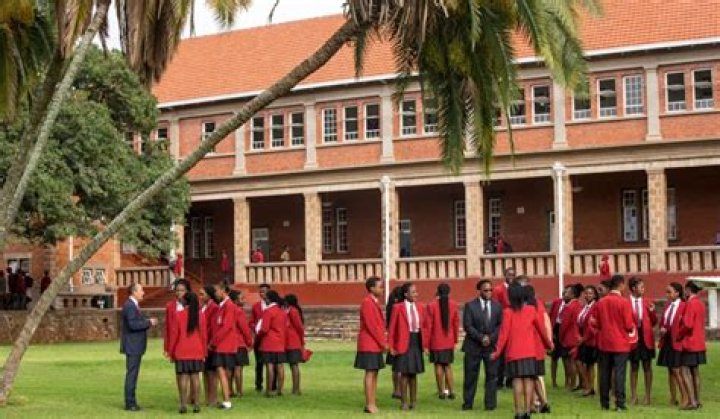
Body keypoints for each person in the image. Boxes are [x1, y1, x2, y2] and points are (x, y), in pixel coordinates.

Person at [492, 284, 552, 419]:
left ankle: (518, 411)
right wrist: (548, 344)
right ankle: (527, 410)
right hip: (529, 352)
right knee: (528, 380)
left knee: (517, 380)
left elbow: (503, 335)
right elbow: (541, 330)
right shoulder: (531, 310)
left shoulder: (507, 312)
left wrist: (497, 352)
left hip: (513, 352)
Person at [593, 274, 635, 411]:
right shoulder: (624, 302)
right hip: (620, 343)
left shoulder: (601, 302)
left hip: (604, 343)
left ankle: (604, 403)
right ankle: (620, 403)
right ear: (621, 285)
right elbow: (628, 325)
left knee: (604, 373)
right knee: (619, 373)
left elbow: (596, 323)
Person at [461, 280, 502, 411]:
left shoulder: (497, 306)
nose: (489, 292)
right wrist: (481, 338)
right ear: (479, 291)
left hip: (491, 346)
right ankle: (468, 404)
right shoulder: (470, 306)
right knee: (470, 376)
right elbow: (467, 325)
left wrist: (491, 338)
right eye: (486, 290)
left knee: (492, 376)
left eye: (491, 290)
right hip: (473, 346)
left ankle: (490, 405)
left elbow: (500, 326)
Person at [389, 282, 427, 410]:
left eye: (416, 292)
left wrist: (426, 345)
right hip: (402, 343)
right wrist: (391, 346)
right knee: (404, 373)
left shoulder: (420, 307)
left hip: (416, 342)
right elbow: (392, 328)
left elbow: (425, 327)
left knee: (413, 374)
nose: (416, 294)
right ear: (406, 294)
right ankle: (404, 402)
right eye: (413, 292)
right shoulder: (397, 308)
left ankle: (413, 401)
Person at [120, 283, 158, 411]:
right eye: (141, 290)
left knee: (133, 373)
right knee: (132, 374)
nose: (143, 293)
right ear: (134, 292)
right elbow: (133, 325)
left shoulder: (133, 305)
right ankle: (130, 403)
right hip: (133, 345)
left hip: (134, 345)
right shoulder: (130, 306)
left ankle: (131, 401)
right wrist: (148, 322)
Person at [167, 292, 206, 414]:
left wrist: (171, 352)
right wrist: (204, 352)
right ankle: (197, 404)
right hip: (197, 350)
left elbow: (174, 335)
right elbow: (204, 336)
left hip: (182, 350)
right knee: (195, 377)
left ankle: (183, 404)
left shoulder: (178, 315)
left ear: (185, 302)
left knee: (183, 376)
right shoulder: (200, 315)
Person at [354, 277, 387, 414]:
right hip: (369, 343)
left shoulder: (373, 302)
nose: (382, 289)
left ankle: (372, 401)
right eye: (380, 287)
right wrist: (383, 343)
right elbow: (372, 326)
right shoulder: (367, 303)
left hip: (374, 343)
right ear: (372, 288)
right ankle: (369, 403)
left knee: (375, 372)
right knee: (370, 372)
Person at [426, 283, 460, 400]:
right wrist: (455, 340)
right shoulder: (454, 305)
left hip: (436, 341)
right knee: (448, 366)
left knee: (438, 365)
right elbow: (456, 324)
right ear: (449, 292)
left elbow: (428, 326)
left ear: (438, 292)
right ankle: (451, 391)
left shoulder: (431, 306)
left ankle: (441, 392)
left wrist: (426, 344)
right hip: (448, 340)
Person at [209, 283, 239, 409]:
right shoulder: (223, 306)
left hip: (224, 344)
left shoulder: (229, 306)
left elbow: (226, 327)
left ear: (223, 291)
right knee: (223, 373)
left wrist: (213, 342)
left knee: (222, 372)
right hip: (222, 343)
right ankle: (226, 399)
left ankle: (227, 401)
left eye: (216, 290)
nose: (215, 293)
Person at [628, 277, 657, 405]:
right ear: (633, 288)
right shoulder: (625, 302)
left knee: (647, 366)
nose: (643, 289)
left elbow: (654, 322)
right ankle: (634, 396)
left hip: (646, 338)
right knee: (634, 366)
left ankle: (648, 396)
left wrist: (652, 312)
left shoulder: (647, 302)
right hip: (632, 337)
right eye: (641, 287)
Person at [657, 282, 686, 408]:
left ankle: (685, 397)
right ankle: (673, 398)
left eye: (669, 292)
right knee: (670, 370)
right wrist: (662, 328)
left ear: (677, 293)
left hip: (678, 341)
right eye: (666, 292)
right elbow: (663, 322)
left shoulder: (684, 306)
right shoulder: (667, 306)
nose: (667, 294)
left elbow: (685, 324)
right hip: (667, 341)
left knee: (677, 370)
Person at [679, 281, 706, 410]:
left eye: (685, 290)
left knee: (684, 370)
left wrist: (679, 333)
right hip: (699, 342)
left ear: (689, 290)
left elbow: (688, 325)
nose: (684, 292)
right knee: (695, 371)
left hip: (690, 342)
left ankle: (692, 401)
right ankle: (697, 400)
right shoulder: (700, 303)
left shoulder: (690, 303)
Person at [164, 279, 191, 404]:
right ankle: (182, 397)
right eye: (177, 290)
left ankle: (192, 397)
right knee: (179, 372)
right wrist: (167, 347)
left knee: (192, 373)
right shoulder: (170, 306)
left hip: (190, 343)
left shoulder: (193, 305)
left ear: (187, 291)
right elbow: (168, 328)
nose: (179, 293)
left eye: (182, 290)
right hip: (176, 344)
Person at [256, 290, 287, 397]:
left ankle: (269, 390)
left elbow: (264, 329)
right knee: (280, 366)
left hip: (269, 342)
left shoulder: (268, 311)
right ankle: (280, 390)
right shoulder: (282, 312)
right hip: (280, 341)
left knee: (269, 365)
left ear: (269, 299)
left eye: (265, 298)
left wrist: (258, 334)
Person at [492, 267, 515, 388]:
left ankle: (510, 379)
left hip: (514, 325)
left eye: (513, 275)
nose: (511, 277)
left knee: (512, 352)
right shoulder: (498, 289)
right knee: (500, 353)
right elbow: (495, 307)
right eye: (509, 274)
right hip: (502, 324)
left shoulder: (516, 289)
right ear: (505, 275)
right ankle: (499, 380)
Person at [559, 283, 584, 391]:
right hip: (577, 335)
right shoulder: (579, 304)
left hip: (569, 336)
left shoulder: (569, 307)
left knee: (571, 362)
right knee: (577, 361)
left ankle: (573, 383)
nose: (565, 294)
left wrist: (560, 337)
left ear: (573, 295)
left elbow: (564, 324)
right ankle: (581, 383)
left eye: (567, 293)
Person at [198, 285, 218, 406]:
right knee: (205, 371)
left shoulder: (214, 308)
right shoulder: (203, 307)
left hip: (210, 344)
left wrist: (211, 343)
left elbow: (214, 328)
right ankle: (207, 398)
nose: (200, 297)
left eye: (202, 294)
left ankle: (213, 398)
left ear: (209, 295)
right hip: (203, 344)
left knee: (211, 373)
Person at [577, 285, 599, 397]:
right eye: (586, 293)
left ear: (594, 295)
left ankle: (590, 387)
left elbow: (592, 325)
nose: (588, 295)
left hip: (590, 339)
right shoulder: (584, 306)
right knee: (581, 363)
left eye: (590, 293)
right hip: (583, 338)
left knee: (589, 364)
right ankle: (588, 386)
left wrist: (583, 338)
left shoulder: (595, 307)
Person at [548, 285, 572, 389]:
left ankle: (567, 381)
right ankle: (554, 382)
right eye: (564, 292)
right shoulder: (556, 302)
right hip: (555, 330)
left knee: (566, 358)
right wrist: (550, 332)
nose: (565, 294)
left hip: (565, 332)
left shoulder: (572, 305)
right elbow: (550, 316)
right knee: (554, 357)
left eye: (567, 293)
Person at [230, 290, 253, 398]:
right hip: (239, 343)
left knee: (230, 368)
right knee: (238, 368)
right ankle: (239, 391)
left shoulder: (227, 309)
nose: (244, 300)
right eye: (242, 298)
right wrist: (249, 342)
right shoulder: (239, 311)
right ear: (235, 300)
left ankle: (230, 390)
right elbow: (245, 329)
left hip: (229, 343)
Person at [250, 283, 271, 392]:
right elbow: (251, 321)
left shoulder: (273, 306)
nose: (263, 294)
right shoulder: (256, 306)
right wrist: (255, 327)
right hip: (259, 338)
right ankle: (258, 384)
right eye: (261, 292)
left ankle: (272, 385)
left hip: (270, 338)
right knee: (259, 363)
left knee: (271, 363)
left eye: (265, 291)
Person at [386, 285, 405, 399]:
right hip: (402, 338)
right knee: (402, 367)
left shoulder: (390, 307)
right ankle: (401, 390)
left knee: (395, 367)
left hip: (393, 339)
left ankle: (396, 390)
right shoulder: (401, 307)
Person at [284, 294, 305, 395]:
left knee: (294, 365)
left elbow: (299, 327)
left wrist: (301, 340)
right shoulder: (288, 311)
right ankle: (296, 389)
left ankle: (296, 389)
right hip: (289, 341)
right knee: (292, 365)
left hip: (293, 341)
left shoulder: (293, 311)